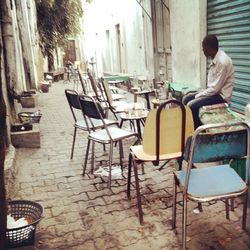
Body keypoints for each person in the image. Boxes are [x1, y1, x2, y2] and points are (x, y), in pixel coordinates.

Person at [182, 35, 234, 128]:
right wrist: (199, 93)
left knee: (191, 105)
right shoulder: (216, 58)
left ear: (209, 47)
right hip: (214, 93)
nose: (202, 50)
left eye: (203, 47)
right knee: (186, 98)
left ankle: (198, 132)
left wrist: (198, 95)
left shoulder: (223, 62)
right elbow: (212, 87)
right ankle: (188, 127)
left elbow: (215, 89)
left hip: (220, 97)